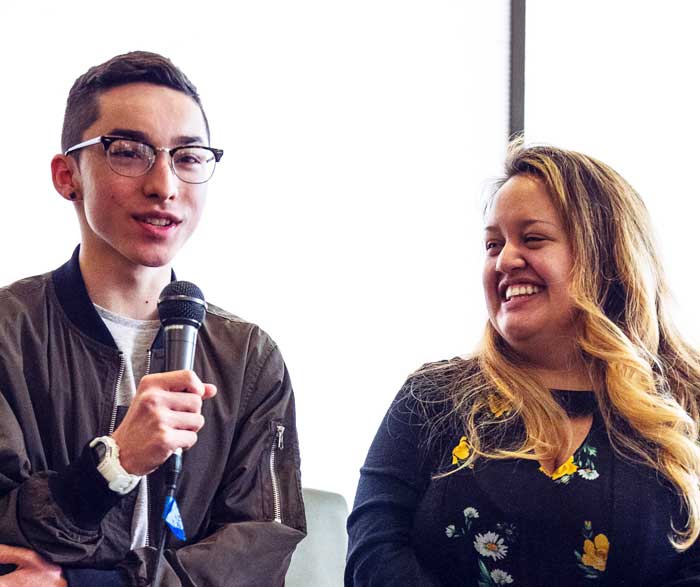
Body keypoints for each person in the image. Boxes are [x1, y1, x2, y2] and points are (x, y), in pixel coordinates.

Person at [0, 51, 305, 586]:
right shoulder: (8, 334)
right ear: (66, 174)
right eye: (130, 151)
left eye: (188, 157)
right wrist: (113, 465)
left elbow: (259, 552)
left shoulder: (250, 359)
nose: (164, 184)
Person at [345, 141, 700, 585]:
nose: (505, 260)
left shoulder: (688, 401)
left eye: (532, 239)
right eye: (493, 244)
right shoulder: (432, 397)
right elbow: (373, 553)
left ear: (606, 255)